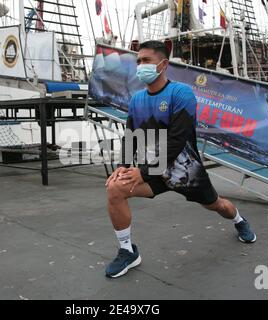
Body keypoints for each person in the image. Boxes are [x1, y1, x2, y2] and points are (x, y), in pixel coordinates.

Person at [104, 41, 257, 279]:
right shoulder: (136, 100)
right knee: (115, 188)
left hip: (185, 172)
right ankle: (127, 251)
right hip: (154, 172)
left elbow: (178, 139)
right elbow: (131, 137)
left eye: (146, 60)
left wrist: (142, 172)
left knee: (218, 205)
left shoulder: (181, 93)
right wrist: (122, 166)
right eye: (138, 61)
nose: (140, 66)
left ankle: (239, 220)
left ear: (163, 64)